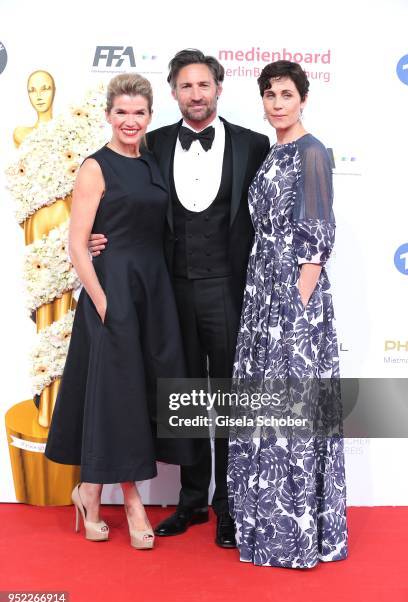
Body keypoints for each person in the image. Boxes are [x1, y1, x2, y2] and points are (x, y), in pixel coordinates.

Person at [89, 49, 270, 548]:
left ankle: (229, 506)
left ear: (218, 88)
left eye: (204, 85)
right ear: (173, 92)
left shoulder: (254, 145)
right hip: (171, 292)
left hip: (231, 291)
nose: (196, 94)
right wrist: (94, 238)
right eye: (186, 86)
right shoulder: (153, 142)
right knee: (185, 399)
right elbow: (124, 196)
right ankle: (191, 501)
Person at [45, 73, 196, 549]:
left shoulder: (152, 163)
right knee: (120, 397)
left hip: (153, 291)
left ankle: (89, 492)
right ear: (108, 115)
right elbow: (77, 242)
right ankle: (130, 502)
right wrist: (104, 300)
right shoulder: (95, 166)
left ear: (150, 116)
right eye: (122, 112)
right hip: (112, 293)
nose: (130, 121)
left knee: (143, 393)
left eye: (139, 113)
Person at [227, 60, 348, 568]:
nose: (277, 103)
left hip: (293, 302)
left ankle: (295, 538)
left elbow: (317, 241)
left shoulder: (312, 152)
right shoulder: (274, 150)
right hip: (262, 293)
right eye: (270, 95)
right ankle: (260, 529)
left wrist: (294, 315)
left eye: (286, 94)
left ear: (303, 99)